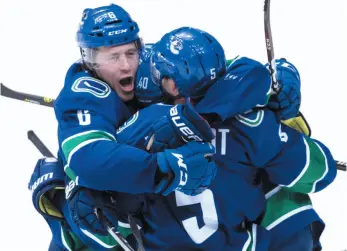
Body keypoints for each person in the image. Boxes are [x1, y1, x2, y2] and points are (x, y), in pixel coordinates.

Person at [42, 27, 335, 250]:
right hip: (243, 240)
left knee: (73, 199)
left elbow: (92, 164)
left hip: (154, 231)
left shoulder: (135, 130)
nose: (130, 66)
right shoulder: (250, 123)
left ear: (169, 83)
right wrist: (275, 96)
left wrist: (68, 185)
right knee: (286, 201)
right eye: (112, 56)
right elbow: (321, 172)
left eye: (132, 54)